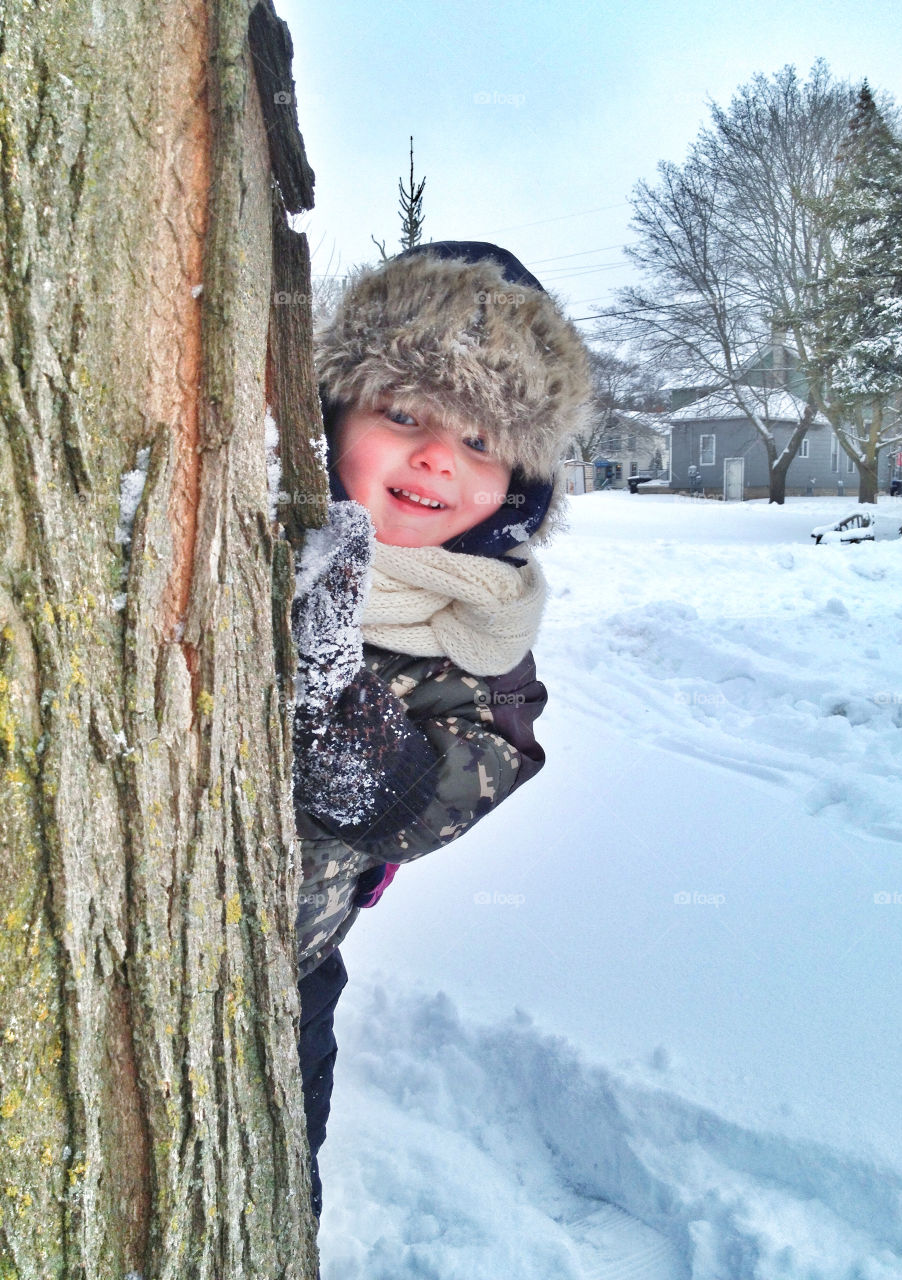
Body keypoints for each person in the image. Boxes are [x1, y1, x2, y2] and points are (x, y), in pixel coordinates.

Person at [290, 241, 593, 1221]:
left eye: (480, 440)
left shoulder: (485, 645)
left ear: (522, 484)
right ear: (335, 410)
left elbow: (425, 806)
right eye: (406, 414)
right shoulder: (250, 526)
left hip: (282, 987)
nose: (435, 458)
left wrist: (340, 708)